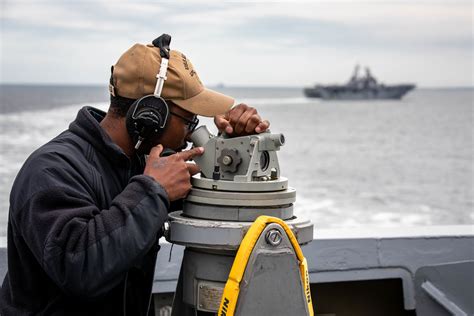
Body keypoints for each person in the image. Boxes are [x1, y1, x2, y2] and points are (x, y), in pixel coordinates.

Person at [0, 36, 269, 315]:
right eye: (189, 120)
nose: (190, 132)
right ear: (153, 115)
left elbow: (217, 204)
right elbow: (80, 267)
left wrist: (234, 146)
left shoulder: (144, 165)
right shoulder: (51, 171)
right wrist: (152, 190)